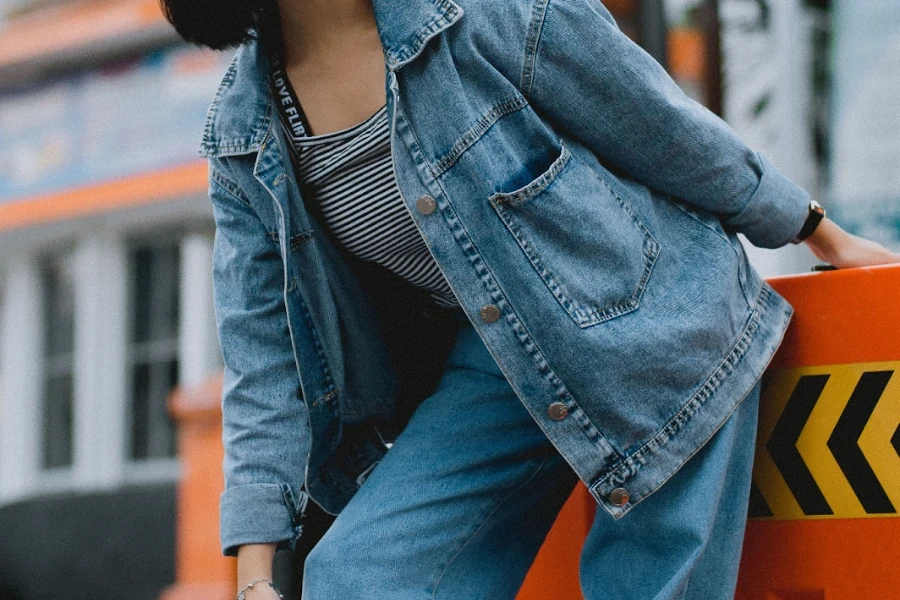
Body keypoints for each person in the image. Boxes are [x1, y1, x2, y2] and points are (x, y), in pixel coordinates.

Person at [161, 0, 900, 598]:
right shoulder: (242, 137)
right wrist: (255, 579)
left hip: (656, 331)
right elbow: (267, 362)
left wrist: (817, 232)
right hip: (497, 362)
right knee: (360, 576)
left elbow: (656, 124)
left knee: (637, 584)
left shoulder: (477, 13)